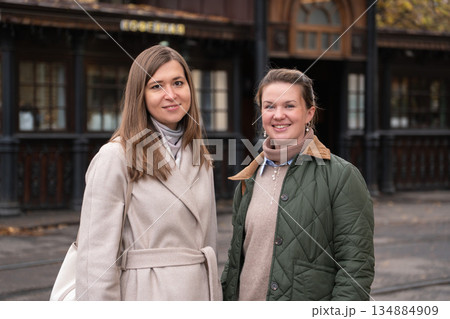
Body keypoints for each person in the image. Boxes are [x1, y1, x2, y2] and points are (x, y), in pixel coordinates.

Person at [75, 45, 221, 300]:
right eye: (156, 86)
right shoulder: (115, 157)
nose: (171, 94)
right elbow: (95, 259)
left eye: (178, 82)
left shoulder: (200, 157)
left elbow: (209, 241)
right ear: (139, 95)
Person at [221, 68, 374, 301]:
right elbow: (236, 261)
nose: (278, 115)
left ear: (309, 112)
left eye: (289, 106)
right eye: (269, 106)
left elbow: (356, 268)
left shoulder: (341, 176)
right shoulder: (248, 179)